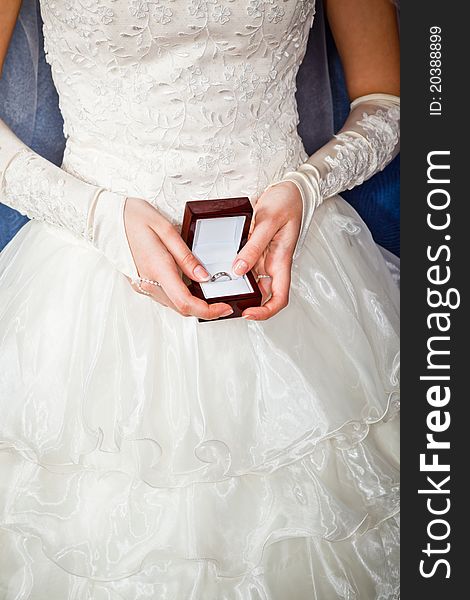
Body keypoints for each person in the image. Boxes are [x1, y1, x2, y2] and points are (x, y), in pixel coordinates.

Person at [0, 0, 400, 597]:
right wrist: (98, 217)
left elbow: (391, 100)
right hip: (90, 277)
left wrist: (311, 184)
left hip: (291, 260)